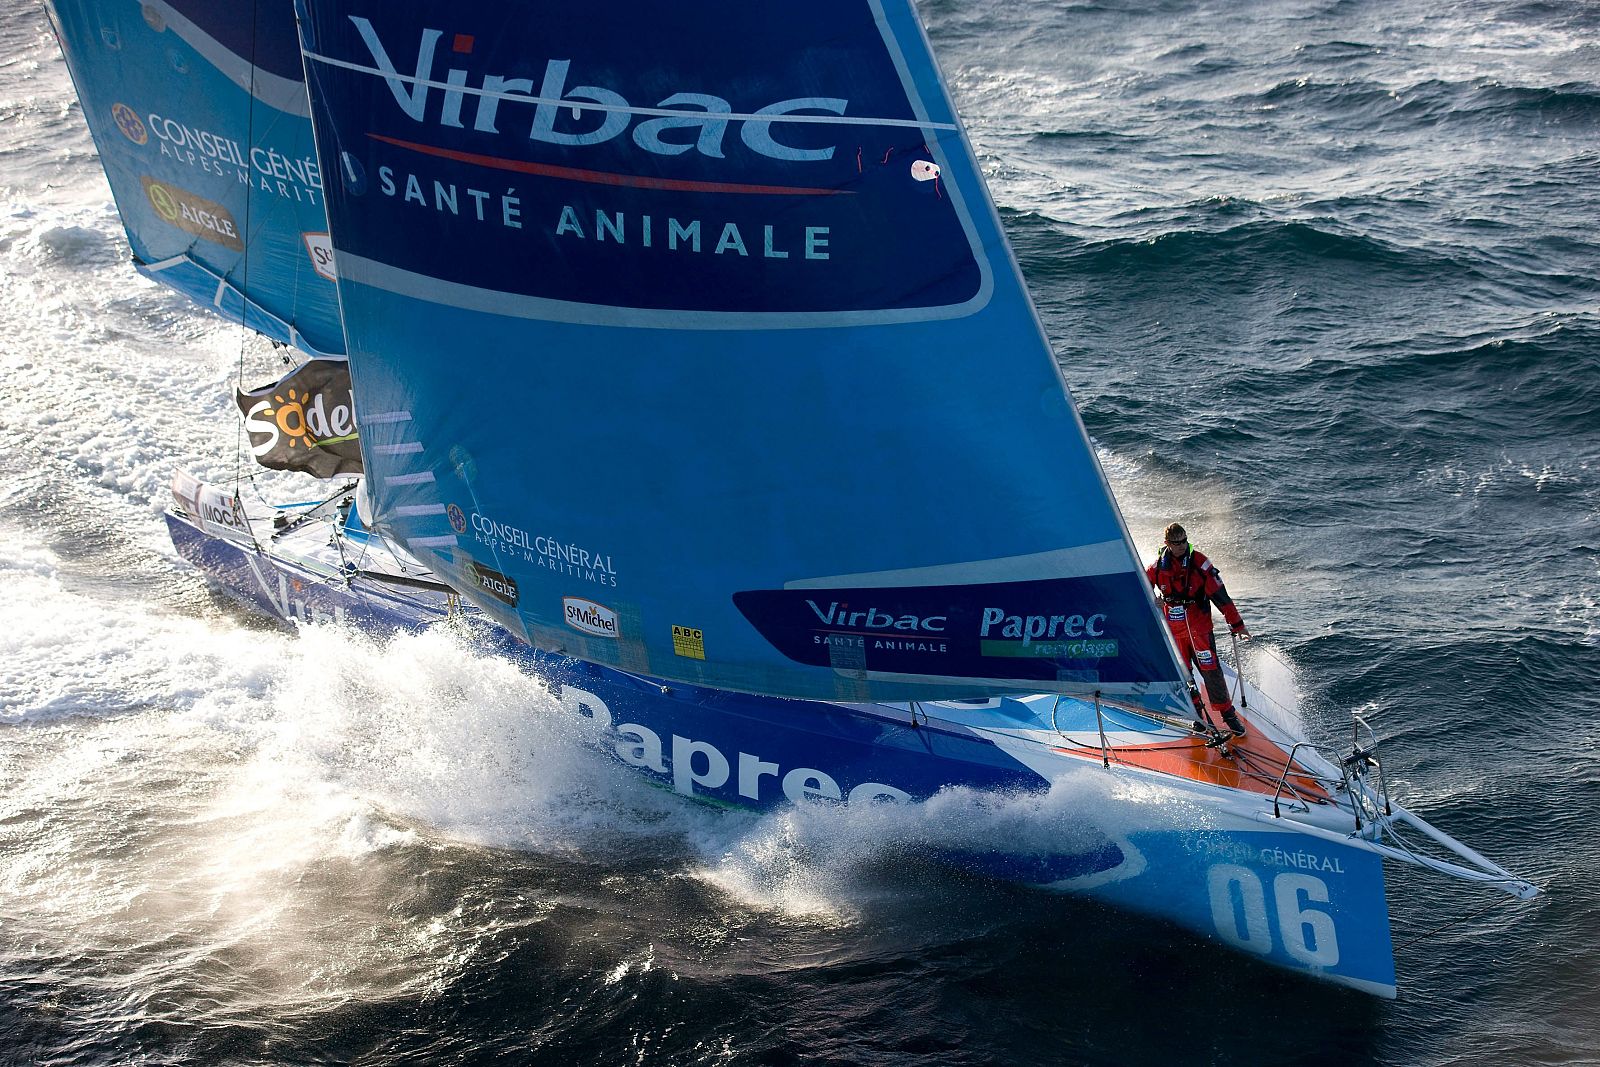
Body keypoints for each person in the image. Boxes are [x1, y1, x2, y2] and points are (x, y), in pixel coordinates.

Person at [1146, 522, 1250, 735]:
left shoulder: (1200, 563)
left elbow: (1221, 597)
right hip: (1174, 631)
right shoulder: (1157, 567)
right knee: (1184, 674)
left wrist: (1237, 625)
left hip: (1199, 629)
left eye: (1184, 541)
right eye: (1176, 543)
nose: (1182, 546)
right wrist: (1153, 601)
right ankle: (1197, 716)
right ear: (1167, 543)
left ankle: (1228, 716)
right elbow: (1140, 591)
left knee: (1211, 670)